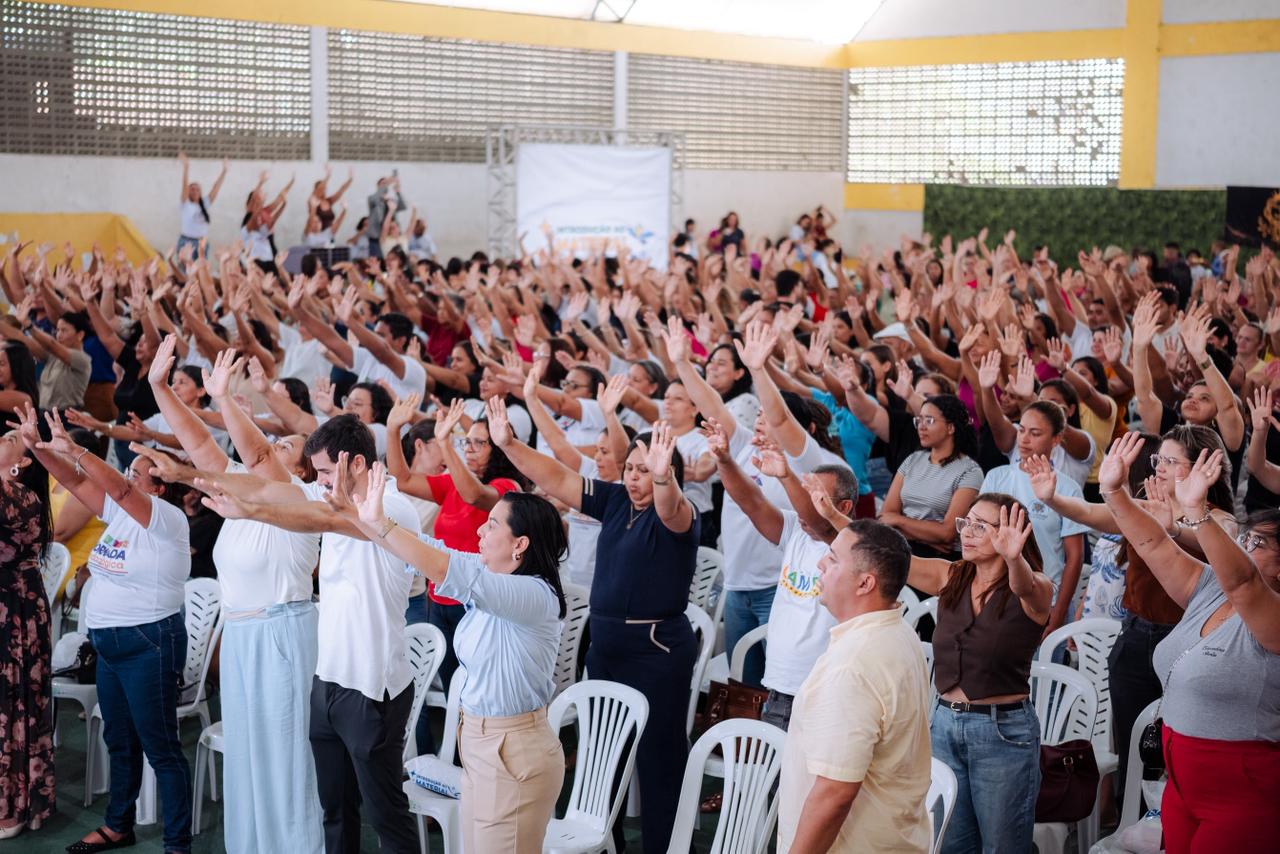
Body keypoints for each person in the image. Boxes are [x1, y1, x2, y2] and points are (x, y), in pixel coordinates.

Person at [191, 414, 420, 854]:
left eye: (328, 472)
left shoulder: (392, 506)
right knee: (335, 808)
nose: (320, 482)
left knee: (386, 813)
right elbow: (262, 478)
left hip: (374, 686)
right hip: (329, 679)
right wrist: (192, 472)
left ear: (356, 464)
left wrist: (254, 511)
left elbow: (327, 521)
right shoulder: (332, 493)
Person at [134, 341, 324, 853]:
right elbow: (202, 450)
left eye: (287, 448)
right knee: (249, 756)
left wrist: (224, 398)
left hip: (282, 630)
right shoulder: (238, 496)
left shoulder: (300, 498)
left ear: (302, 471)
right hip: (242, 635)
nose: (271, 448)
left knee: (285, 757)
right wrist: (159, 388)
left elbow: (259, 454)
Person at [488, 398, 698, 854]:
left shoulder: (680, 514)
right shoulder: (617, 499)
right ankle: (604, 844)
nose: (634, 477)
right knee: (603, 753)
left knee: (659, 759)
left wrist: (663, 477)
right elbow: (559, 478)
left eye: (646, 469)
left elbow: (669, 504)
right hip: (605, 643)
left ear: (668, 472)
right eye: (632, 468)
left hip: (656, 650)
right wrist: (509, 445)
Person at [326, 462, 567, 853]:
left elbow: (443, 567)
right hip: (481, 745)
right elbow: (433, 552)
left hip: (514, 752)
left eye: (491, 525)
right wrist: (361, 516)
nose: (479, 531)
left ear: (520, 544)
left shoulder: (534, 595)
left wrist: (379, 522)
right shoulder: (494, 576)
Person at [22, 407, 194, 854]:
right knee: (119, 739)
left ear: (159, 488)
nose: (127, 478)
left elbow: (110, 483)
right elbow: (80, 484)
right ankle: (119, 824)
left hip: (149, 645)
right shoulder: (120, 516)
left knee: (161, 747)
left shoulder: (167, 521)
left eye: (139, 474)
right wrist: (38, 447)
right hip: (112, 647)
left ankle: (177, 843)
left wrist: (77, 448)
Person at [1098, 433, 1280, 850]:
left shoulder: (1271, 612)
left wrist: (1196, 510)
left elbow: (1245, 580)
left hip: (1241, 797)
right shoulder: (1212, 588)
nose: (1246, 545)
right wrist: (1114, 492)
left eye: (1259, 542)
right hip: (1179, 788)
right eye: (1246, 537)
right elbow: (1153, 543)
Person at [906, 493, 1054, 854]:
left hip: (1002, 733)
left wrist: (1012, 558)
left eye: (980, 525)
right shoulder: (953, 575)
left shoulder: (1036, 586)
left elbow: (1024, 587)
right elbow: (892, 559)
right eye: (965, 523)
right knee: (951, 844)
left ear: (1010, 532)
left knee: (1002, 847)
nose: (966, 532)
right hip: (944, 725)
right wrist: (832, 519)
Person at [776, 519, 930, 853]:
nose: (820, 563)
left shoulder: (852, 665)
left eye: (831, 559)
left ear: (864, 583)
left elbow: (835, 792)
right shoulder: (901, 632)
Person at [0, 420, 55, 840]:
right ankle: (27, 801)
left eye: (8, 440)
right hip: (15, 603)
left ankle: (18, 806)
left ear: (20, 463)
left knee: (17, 700)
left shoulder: (20, 497)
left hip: (16, 609)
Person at [880, 393, 983, 558]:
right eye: (919, 420)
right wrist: (928, 537)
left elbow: (947, 533)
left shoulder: (970, 471)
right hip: (901, 547)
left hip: (939, 558)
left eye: (929, 421)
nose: (921, 426)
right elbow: (885, 517)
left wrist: (898, 521)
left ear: (951, 427)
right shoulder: (913, 459)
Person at [1, 305, 92, 411]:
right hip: (43, 415)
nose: (59, 335)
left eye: (64, 330)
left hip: (66, 418)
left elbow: (51, 345)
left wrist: (29, 325)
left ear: (80, 335)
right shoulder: (52, 356)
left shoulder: (82, 359)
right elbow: (21, 338)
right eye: (57, 330)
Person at [177, 153, 227, 259]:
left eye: (197, 189)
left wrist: (224, 171)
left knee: (201, 273)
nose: (195, 191)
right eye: (192, 189)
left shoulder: (204, 203)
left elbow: (215, 188)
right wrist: (186, 167)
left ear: (200, 192)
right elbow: (184, 184)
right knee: (185, 273)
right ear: (188, 192)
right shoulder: (185, 204)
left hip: (202, 243)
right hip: (187, 242)